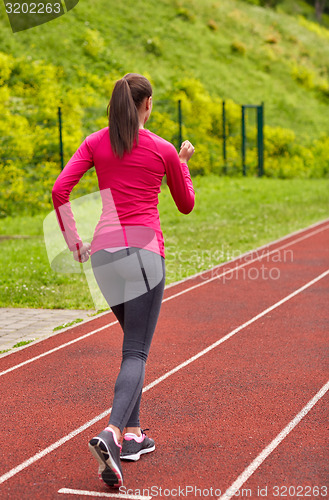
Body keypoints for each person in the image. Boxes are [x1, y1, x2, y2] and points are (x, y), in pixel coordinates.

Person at [51, 73, 195, 488]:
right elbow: (185, 205)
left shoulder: (97, 141)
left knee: (132, 344)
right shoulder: (163, 149)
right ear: (147, 104)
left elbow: (61, 190)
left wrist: (74, 242)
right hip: (145, 255)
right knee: (136, 351)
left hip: (104, 256)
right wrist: (183, 166)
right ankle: (113, 435)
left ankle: (132, 435)